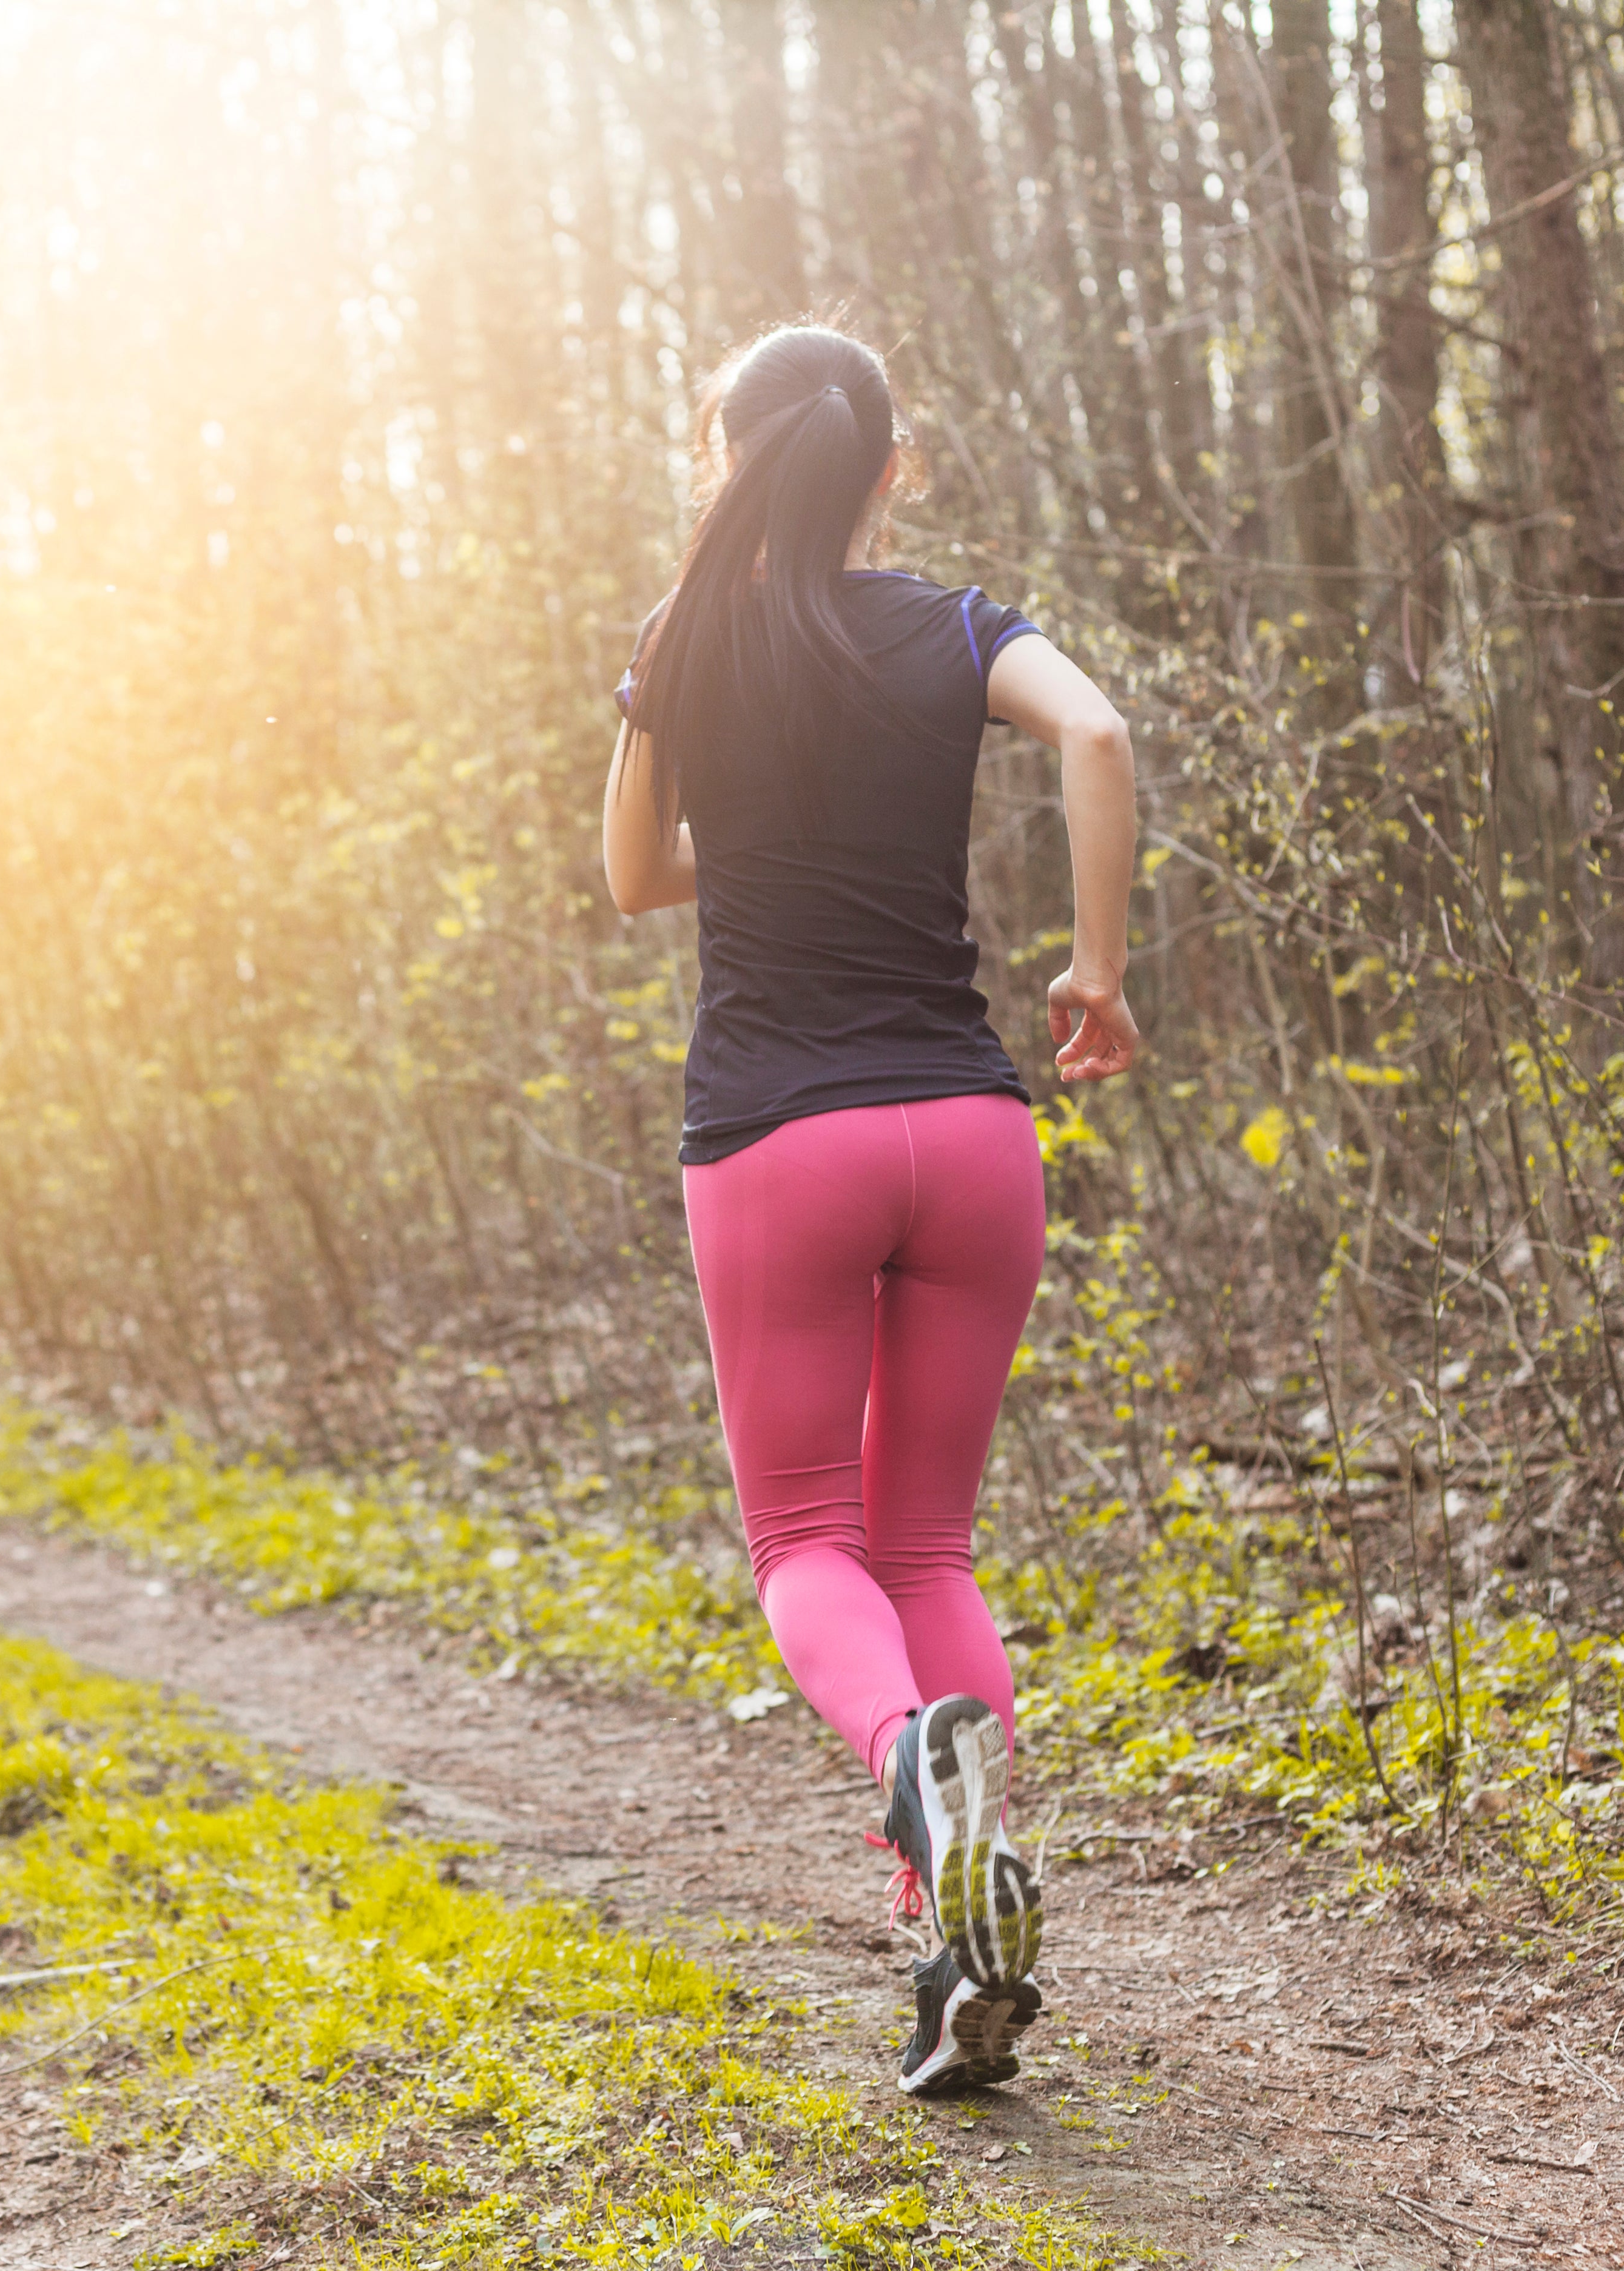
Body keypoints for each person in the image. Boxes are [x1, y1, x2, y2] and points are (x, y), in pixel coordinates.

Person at [599, 323, 1140, 2097]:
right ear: (891, 467)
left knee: (804, 1545)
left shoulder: (682, 646)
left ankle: (915, 1765)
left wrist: (751, 831)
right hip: (972, 1132)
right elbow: (1103, 734)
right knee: (932, 1546)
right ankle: (957, 1947)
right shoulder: (965, 626)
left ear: (724, 462)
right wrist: (1099, 974)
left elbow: (631, 880)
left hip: (777, 1138)